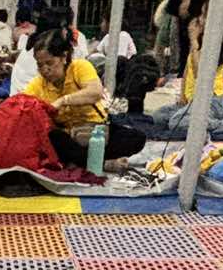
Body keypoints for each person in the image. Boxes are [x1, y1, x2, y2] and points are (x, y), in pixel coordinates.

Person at [25, 28, 143, 172]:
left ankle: (80, 161)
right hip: (67, 138)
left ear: (64, 57)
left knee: (136, 138)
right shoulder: (38, 84)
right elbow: (23, 106)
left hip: (95, 132)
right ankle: (101, 163)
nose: (45, 70)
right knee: (54, 139)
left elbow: (95, 92)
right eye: (40, 65)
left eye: (49, 63)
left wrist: (63, 100)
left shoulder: (79, 67)